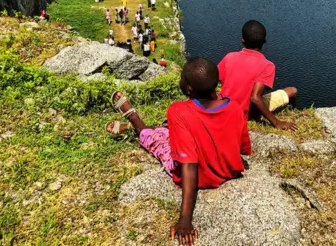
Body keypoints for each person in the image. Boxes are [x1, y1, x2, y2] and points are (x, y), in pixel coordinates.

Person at [106, 58, 251, 244]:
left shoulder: (178, 110)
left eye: (182, 78)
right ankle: (147, 127)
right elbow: (244, 149)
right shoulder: (235, 107)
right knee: (169, 131)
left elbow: (189, 165)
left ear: (188, 88)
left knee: (158, 143)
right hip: (228, 171)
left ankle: (135, 120)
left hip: (199, 175)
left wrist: (185, 219)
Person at [218, 20, 298, 130]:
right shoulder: (267, 66)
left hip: (223, 107)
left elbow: (214, 80)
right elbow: (255, 98)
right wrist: (276, 122)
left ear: (242, 40)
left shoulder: (229, 57)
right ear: (264, 41)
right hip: (245, 112)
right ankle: (292, 110)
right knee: (292, 90)